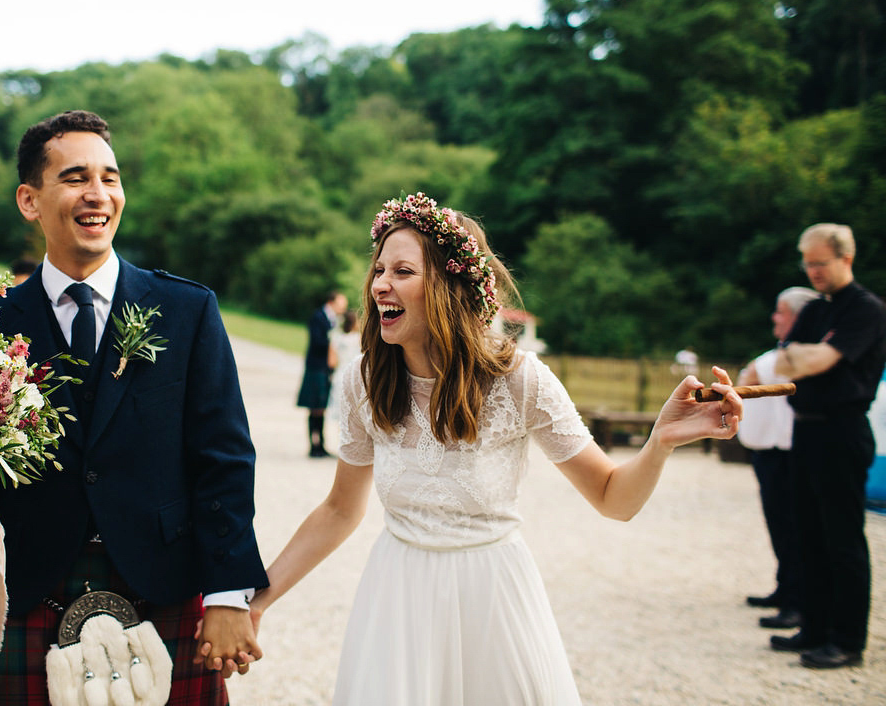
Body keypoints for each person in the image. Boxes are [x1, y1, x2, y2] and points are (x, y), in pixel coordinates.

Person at [240, 192, 743, 704]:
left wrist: (661, 439)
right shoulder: (363, 381)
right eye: (379, 269)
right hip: (397, 596)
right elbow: (339, 509)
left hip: (494, 596)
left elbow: (615, 499)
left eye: (403, 271)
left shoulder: (521, 381)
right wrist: (258, 600)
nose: (379, 285)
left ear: (449, 287)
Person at [0, 110, 267, 704]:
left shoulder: (186, 311)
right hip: (36, 584)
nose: (99, 194)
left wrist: (226, 594)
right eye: (76, 177)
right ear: (29, 200)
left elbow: (225, 460)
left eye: (110, 178)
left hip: (164, 585)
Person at [770, 223, 886, 670]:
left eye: (820, 263)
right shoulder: (816, 310)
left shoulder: (866, 309)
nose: (813, 271)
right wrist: (806, 356)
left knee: (842, 537)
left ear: (846, 259)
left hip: (843, 428)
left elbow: (817, 359)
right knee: (808, 532)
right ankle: (814, 627)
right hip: (807, 429)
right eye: (809, 264)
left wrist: (807, 356)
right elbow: (785, 361)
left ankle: (847, 637)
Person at [736, 286, 819, 630]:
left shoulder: (801, 354)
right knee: (778, 523)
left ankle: (798, 599)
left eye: (781, 312)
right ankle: (786, 587)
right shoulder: (782, 353)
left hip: (788, 451)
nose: (775, 317)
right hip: (770, 449)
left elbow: (755, 374)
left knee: (792, 525)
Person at [297, 291, 348, 457]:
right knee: (315, 406)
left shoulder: (335, 319)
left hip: (326, 368)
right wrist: (334, 341)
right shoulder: (318, 317)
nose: (344, 308)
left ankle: (321, 444)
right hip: (316, 366)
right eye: (342, 304)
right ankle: (314, 444)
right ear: (332, 302)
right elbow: (317, 341)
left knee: (322, 406)